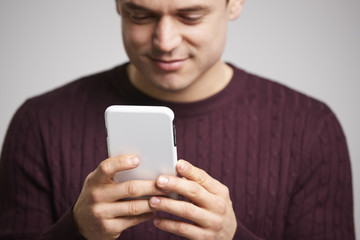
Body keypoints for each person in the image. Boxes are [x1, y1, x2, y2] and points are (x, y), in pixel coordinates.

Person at [0, 0, 355, 239]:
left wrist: (232, 237)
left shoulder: (311, 127)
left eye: (190, 16)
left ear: (234, 3)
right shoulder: (39, 122)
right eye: (140, 15)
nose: (165, 41)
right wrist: (76, 230)